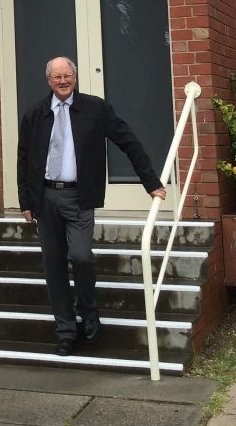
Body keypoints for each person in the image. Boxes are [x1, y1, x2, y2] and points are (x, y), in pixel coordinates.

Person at [17, 56, 166, 356]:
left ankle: (89, 311)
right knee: (54, 266)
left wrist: (151, 182)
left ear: (75, 77)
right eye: (56, 76)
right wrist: (26, 200)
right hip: (46, 199)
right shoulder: (35, 114)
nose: (62, 81)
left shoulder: (95, 109)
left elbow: (128, 141)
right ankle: (65, 331)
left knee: (82, 257)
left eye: (67, 75)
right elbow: (23, 158)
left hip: (79, 197)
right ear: (48, 81)